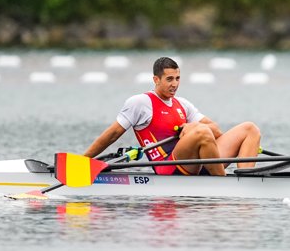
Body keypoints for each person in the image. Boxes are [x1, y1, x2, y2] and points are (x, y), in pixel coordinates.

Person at [83, 56, 261, 176]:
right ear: (156, 80)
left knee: (249, 128)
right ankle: (223, 185)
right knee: (201, 132)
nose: (175, 84)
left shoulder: (182, 104)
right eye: (169, 79)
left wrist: (190, 128)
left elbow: (216, 129)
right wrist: (84, 161)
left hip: (197, 161)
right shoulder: (140, 103)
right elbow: (112, 134)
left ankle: (245, 180)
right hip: (168, 166)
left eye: (177, 78)